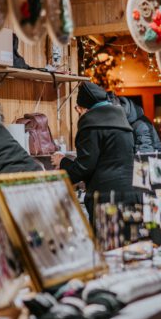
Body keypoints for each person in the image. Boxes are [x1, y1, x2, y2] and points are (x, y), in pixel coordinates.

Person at [52, 82, 137, 221]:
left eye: (78, 109)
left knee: (104, 241)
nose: (78, 113)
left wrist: (62, 162)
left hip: (105, 199)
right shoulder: (123, 123)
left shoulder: (90, 125)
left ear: (84, 108)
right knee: (126, 241)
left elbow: (84, 168)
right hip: (131, 194)